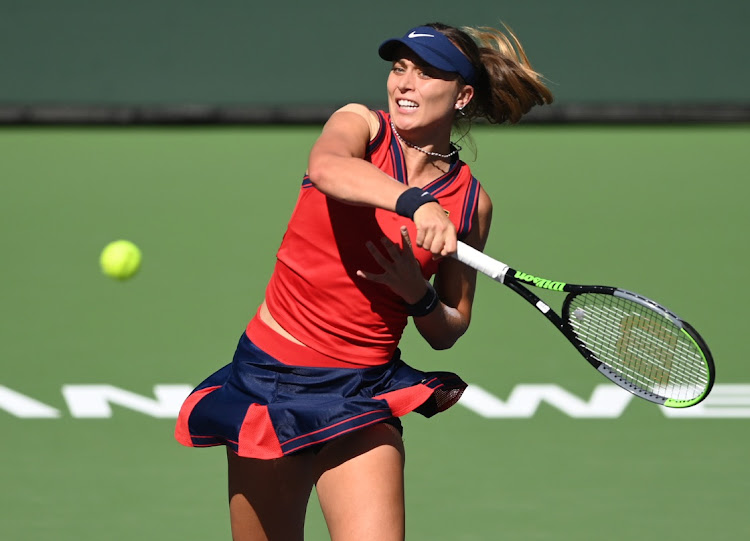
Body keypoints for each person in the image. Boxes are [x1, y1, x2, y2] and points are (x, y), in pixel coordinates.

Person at [175, 21, 553, 541]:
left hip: (363, 391)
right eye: (400, 69)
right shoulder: (360, 126)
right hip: (272, 380)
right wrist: (414, 202)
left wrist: (415, 293)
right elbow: (327, 168)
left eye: (426, 74)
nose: (404, 84)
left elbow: (449, 327)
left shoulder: (469, 204)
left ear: (462, 95)